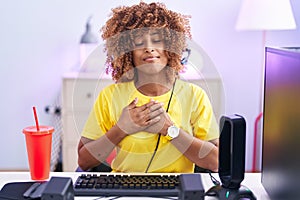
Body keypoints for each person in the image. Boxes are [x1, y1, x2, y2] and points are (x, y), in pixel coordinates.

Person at [77, 1, 219, 173]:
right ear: (128, 52)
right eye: (139, 43)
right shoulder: (110, 96)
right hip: (124, 190)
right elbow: (84, 161)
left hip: (178, 190)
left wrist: (170, 130)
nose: (149, 48)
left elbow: (215, 161)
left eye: (157, 40)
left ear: (171, 48)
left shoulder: (195, 96)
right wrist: (121, 129)